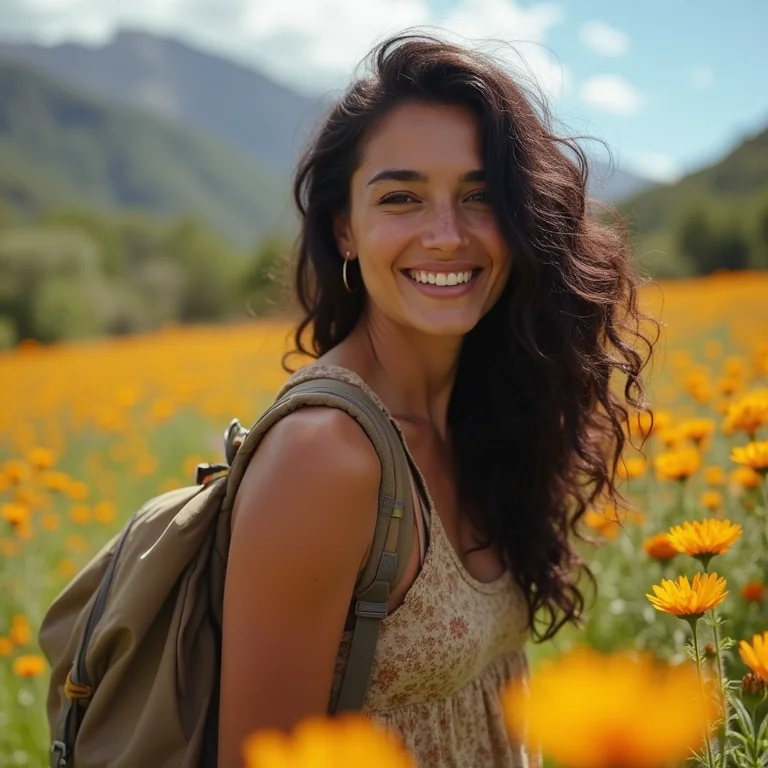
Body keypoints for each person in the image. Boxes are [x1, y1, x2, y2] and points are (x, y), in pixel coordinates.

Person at [216, 30, 658, 768]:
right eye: (402, 197)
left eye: (481, 197)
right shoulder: (324, 458)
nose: (447, 235)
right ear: (344, 230)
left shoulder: (486, 412)